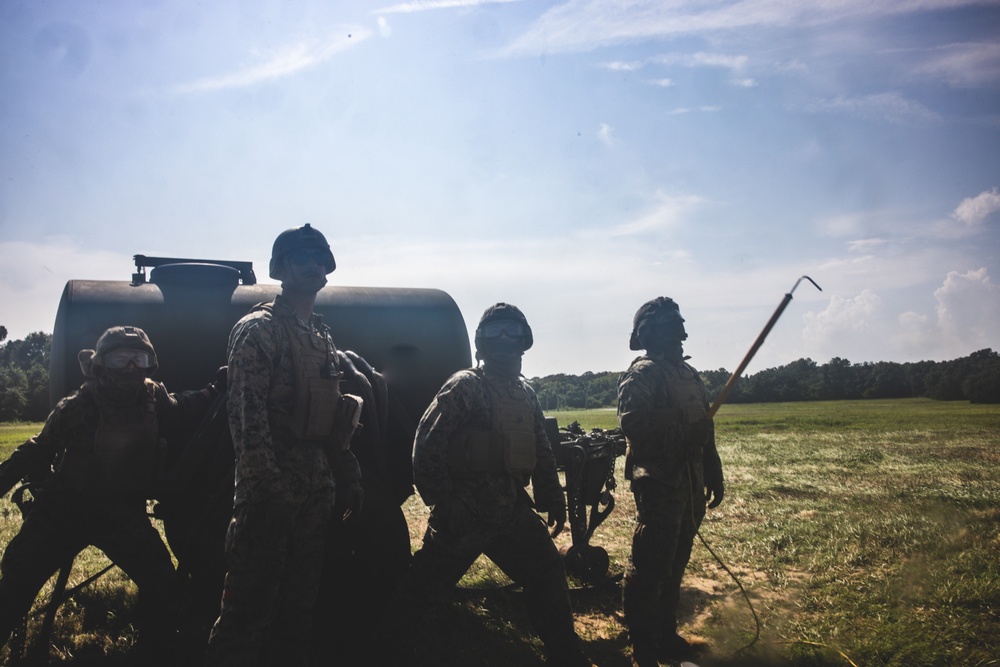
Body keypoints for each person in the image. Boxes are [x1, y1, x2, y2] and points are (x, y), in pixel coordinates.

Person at [0, 325, 224, 659]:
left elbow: (182, 406)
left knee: (164, 585)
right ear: (102, 365)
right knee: (17, 581)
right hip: (64, 511)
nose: (131, 368)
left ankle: (156, 651)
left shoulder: (153, 397)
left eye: (139, 358)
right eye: (121, 359)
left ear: (150, 363)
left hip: (123, 514)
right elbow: (35, 451)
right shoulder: (74, 407)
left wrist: (217, 388)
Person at [394, 303, 592, 667]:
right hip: (464, 514)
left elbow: (541, 448)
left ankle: (565, 655)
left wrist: (552, 497)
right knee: (422, 593)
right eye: (496, 331)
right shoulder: (466, 386)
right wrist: (445, 502)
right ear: (482, 343)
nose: (505, 340)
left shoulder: (525, 393)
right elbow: (427, 446)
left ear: (524, 341)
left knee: (548, 571)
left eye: (512, 331)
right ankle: (395, 651)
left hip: (512, 512)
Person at [204, 223, 365, 667]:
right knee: (246, 612)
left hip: (315, 486)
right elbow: (246, 416)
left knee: (299, 608)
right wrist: (266, 488)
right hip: (270, 490)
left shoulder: (321, 336)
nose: (311, 265)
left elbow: (331, 418)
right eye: (300, 258)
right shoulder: (260, 330)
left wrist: (346, 473)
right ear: (282, 268)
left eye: (319, 259)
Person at [616, 297, 725, 667]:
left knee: (676, 563)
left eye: (677, 323)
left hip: (690, 483)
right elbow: (634, 426)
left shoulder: (688, 375)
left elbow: (705, 429)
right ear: (650, 333)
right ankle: (643, 648)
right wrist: (683, 435)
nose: (676, 331)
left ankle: (665, 635)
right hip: (660, 484)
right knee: (650, 566)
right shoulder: (643, 374)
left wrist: (712, 468)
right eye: (667, 325)